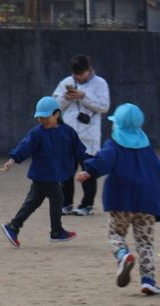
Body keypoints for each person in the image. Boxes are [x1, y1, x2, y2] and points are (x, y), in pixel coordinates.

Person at [75, 103, 160, 296]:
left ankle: (123, 255)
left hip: (120, 200)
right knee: (145, 242)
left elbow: (103, 160)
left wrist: (89, 171)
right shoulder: (147, 148)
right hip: (147, 203)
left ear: (117, 126)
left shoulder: (114, 146)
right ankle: (148, 280)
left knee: (115, 234)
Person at [0, 96, 85, 248]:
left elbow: (79, 150)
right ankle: (56, 232)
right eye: (39, 117)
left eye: (45, 117)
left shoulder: (68, 132)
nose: (42, 120)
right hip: (44, 175)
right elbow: (24, 147)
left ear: (57, 114)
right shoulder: (37, 133)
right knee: (58, 197)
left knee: (33, 202)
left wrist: (91, 163)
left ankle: (13, 226)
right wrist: (13, 160)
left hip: (50, 175)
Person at [53, 54, 110, 217]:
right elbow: (54, 105)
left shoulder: (100, 83)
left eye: (81, 73)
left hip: (89, 136)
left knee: (88, 171)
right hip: (68, 134)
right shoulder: (66, 83)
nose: (78, 77)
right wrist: (66, 97)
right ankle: (66, 204)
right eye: (76, 74)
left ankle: (87, 205)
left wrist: (83, 96)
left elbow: (104, 106)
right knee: (65, 172)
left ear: (89, 69)